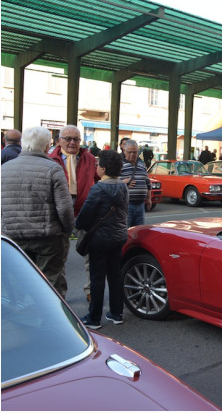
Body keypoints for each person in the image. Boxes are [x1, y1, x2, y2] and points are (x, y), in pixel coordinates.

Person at [1, 126, 74, 297]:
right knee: (51, 284)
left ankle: (26, 318)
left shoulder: (3, 169)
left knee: (21, 282)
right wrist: (67, 230)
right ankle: (54, 320)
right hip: (48, 238)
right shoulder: (53, 169)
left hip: (14, 237)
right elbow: (64, 208)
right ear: (46, 146)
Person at [75, 149, 128, 330]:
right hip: (119, 236)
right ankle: (116, 313)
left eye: (98, 165)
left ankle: (94, 318)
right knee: (115, 275)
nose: (96, 167)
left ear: (103, 169)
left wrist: (78, 225)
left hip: (99, 239)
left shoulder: (98, 188)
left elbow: (84, 217)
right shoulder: (123, 186)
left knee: (97, 278)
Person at [49, 125, 100, 301]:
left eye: (76, 139)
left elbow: (99, 179)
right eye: (68, 138)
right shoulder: (50, 159)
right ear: (59, 140)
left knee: (90, 253)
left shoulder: (90, 158)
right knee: (59, 254)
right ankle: (59, 293)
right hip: (59, 212)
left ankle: (90, 289)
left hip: (84, 211)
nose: (72, 142)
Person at [120, 140, 152, 227]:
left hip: (141, 205)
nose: (132, 154)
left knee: (139, 232)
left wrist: (149, 199)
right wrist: (123, 182)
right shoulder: (119, 165)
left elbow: (148, 183)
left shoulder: (141, 165)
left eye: (135, 152)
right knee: (126, 232)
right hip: (127, 206)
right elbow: (112, 182)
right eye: (129, 152)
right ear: (124, 151)